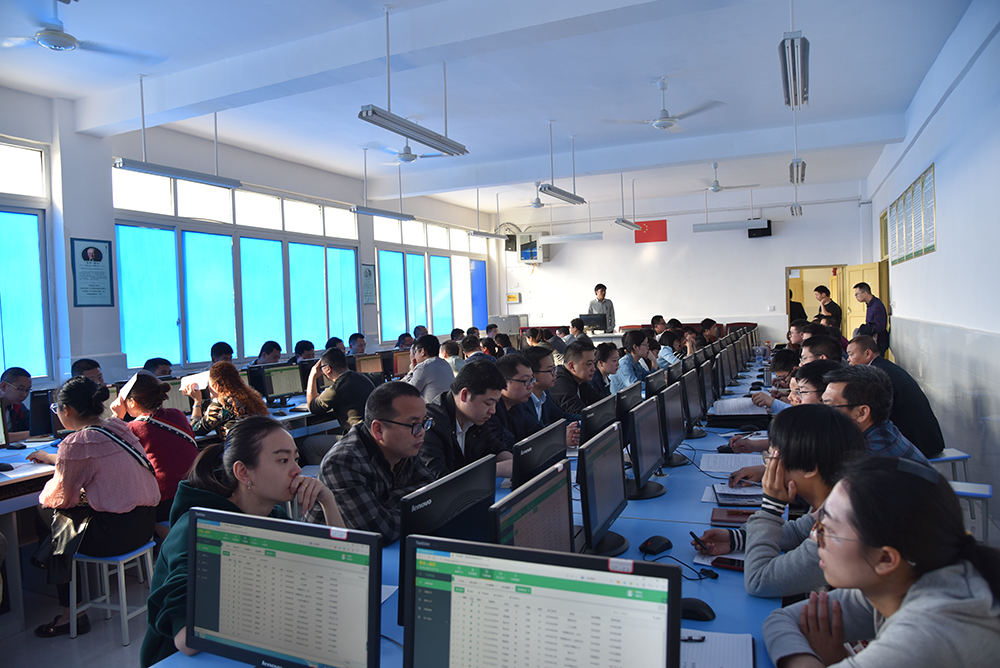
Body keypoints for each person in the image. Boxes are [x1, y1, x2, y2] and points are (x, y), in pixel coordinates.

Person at [140, 416, 344, 667]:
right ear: (243, 472)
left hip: (246, 643)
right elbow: (187, 639)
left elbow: (335, 568)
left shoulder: (272, 515)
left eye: (296, 459)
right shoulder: (196, 530)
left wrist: (327, 501)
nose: (297, 471)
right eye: (283, 460)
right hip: (183, 659)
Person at [762, 456, 1000, 668]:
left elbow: (764, 585)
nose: (816, 538)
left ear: (886, 559)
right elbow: (780, 620)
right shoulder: (897, 582)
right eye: (819, 524)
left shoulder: (924, 637)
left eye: (829, 531)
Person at [28, 376, 159, 639]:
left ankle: (71, 613)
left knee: (52, 518)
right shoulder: (118, 427)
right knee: (63, 524)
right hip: (145, 527)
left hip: (115, 536)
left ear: (67, 410)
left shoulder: (77, 442)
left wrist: (47, 492)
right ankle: (61, 585)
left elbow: (58, 498)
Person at [693, 404, 866, 598]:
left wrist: (771, 507)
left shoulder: (840, 532)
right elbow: (799, 532)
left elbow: (760, 581)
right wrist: (737, 539)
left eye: (772, 457)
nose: (769, 466)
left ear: (810, 469)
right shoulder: (838, 499)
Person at [304, 382, 436, 541]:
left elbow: (433, 494)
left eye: (424, 422)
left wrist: (384, 504)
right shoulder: (342, 462)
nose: (421, 432)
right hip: (325, 551)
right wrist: (415, 505)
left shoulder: (405, 446)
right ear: (378, 429)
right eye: (414, 424)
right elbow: (381, 532)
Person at [109, 371, 199, 536]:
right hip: (194, 490)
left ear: (132, 402)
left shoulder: (133, 429)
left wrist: (117, 417)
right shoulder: (177, 414)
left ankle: (161, 536)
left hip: (166, 501)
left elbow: (108, 447)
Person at [846, 335, 944, 458]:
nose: (848, 359)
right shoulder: (884, 366)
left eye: (851, 354)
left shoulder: (877, 374)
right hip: (928, 438)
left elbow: (878, 417)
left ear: (867, 354)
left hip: (918, 443)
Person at [420, 360, 512, 479]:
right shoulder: (430, 424)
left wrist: (514, 463)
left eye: (496, 403)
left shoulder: (475, 419)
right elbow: (439, 479)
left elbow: (495, 448)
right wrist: (495, 470)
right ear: (464, 395)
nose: (493, 410)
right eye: (488, 403)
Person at [822, 365, 930, 465]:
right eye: (821, 403)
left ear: (861, 413)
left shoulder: (865, 462)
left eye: (829, 406)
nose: (821, 411)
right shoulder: (886, 430)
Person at [301, 347, 376, 465]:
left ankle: (324, 476)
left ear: (328, 369)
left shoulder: (337, 388)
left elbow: (312, 407)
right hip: (371, 438)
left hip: (357, 441)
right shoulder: (362, 378)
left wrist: (312, 376)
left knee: (309, 444)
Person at [488, 354, 579, 449]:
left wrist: (566, 434)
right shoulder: (490, 412)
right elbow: (511, 448)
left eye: (531, 380)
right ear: (504, 383)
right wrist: (558, 439)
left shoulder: (517, 406)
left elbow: (537, 431)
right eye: (525, 381)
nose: (531, 386)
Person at [182, 361, 268, 440]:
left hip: (236, 450)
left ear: (216, 386)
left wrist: (197, 401)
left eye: (209, 384)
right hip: (256, 447)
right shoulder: (253, 397)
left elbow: (195, 429)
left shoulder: (221, 403)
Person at [523, 346, 582, 427]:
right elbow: (539, 430)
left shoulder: (544, 394)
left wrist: (588, 419)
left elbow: (562, 416)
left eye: (554, 368)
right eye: (550, 370)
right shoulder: (523, 402)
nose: (555, 373)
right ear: (532, 376)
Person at [550, 340, 601, 414]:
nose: (594, 369)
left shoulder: (580, 380)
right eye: (589, 364)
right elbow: (581, 413)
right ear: (572, 366)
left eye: (594, 363)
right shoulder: (560, 383)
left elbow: (600, 401)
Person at [402, 334, 455, 402]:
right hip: (447, 407)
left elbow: (408, 392)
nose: (415, 356)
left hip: (432, 408)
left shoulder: (423, 367)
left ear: (423, 352)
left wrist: (412, 371)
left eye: (415, 352)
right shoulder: (445, 364)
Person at [610, 329, 656, 393]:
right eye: (646, 345)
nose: (648, 348)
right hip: (623, 398)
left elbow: (649, 378)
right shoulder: (624, 364)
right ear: (635, 347)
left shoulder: (636, 363)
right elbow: (633, 386)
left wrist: (654, 360)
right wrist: (654, 384)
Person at [854, 281, 889, 354]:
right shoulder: (870, 304)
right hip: (873, 339)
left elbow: (881, 327)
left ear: (865, 293)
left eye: (857, 294)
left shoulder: (877, 305)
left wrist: (867, 329)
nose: (856, 297)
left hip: (879, 341)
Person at [1, 366, 31, 442]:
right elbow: (1, 438)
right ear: (3, 386)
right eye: (20, 389)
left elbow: (32, 425)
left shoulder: (17, 405)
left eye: (27, 390)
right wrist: (30, 434)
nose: (24, 394)